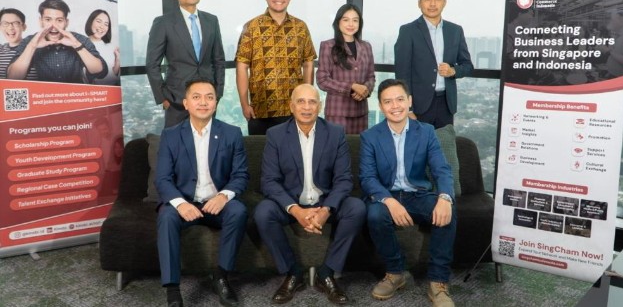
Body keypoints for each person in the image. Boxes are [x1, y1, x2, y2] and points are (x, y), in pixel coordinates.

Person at [254, 83, 365, 305]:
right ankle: (293, 273)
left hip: (325, 202)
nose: (306, 107)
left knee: (357, 208)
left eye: (312, 102)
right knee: (263, 212)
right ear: (291, 106)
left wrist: (326, 210)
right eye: (301, 102)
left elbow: (344, 179)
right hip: (291, 203)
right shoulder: (276, 135)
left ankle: (327, 272)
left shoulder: (335, 133)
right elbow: (269, 181)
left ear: (320, 106)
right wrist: (296, 210)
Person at [359, 78, 456, 307]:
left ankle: (438, 281)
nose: (395, 106)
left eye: (400, 99)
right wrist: (389, 201)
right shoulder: (370, 137)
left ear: (409, 101)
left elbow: (442, 170)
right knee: (374, 215)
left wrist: (445, 197)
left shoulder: (426, 132)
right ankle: (395, 272)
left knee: (448, 212)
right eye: (388, 102)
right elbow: (367, 178)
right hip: (386, 195)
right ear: (381, 106)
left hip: (417, 194)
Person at [155, 78, 249, 307]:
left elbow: (241, 175)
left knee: (238, 211)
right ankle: (172, 289)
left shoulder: (232, 133)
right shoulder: (170, 135)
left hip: (217, 203)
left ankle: (221, 276)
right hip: (185, 201)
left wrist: (223, 196)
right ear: (186, 103)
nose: (203, 102)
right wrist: (180, 203)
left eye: (209, 97)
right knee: (166, 217)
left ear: (216, 103)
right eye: (196, 97)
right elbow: (163, 179)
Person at [235, 0, 317, 135]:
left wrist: (306, 100)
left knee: (294, 151)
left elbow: (308, 63)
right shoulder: (252, 27)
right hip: (260, 110)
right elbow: (241, 67)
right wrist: (245, 104)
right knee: (259, 151)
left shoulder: (300, 27)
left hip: (294, 109)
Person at [146, 0, 226, 127]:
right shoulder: (163, 23)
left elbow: (219, 60)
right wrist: (163, 98)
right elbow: (152, 64)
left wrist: (217, 93)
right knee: (176, 141)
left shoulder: (211, 21)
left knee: (206, 140)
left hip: (206, 99)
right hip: (176, 99)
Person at [394, 0, 473, 129]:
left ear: (444, 2)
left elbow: (468, 66)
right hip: (418, 106)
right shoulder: (408, 31)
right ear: (419, 3)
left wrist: (453, 71)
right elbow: (402, 73)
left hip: (446, 104)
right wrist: (408, 109)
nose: (432, 4)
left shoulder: (455, 31)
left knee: (445, 142)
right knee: (418, 144)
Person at [7, 0, 107, 83]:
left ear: (66, 22)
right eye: (48, 20)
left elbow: (100, 72)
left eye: (59, 20)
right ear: (41, 21)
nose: (53, 26)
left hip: (75, 95)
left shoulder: (80, 40)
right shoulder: (30, 41)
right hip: (45, 96)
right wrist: (32, 46)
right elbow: (13, 78)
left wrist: (77, 45)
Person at [316, 3, 375, 134]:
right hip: (337, 112)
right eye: (346, 20)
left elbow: (371, 76)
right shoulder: (328, 46)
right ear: (338, 22)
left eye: (355, 20)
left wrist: (365, 89)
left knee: (359, 146)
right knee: (337, 146)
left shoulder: (366, 46)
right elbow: (322, 80)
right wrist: (352, 87)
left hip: (361, 112)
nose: (351, 24)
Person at [85, 9, 120, 85]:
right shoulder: (80, 44)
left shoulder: (111, 48)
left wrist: (118, 60)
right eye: (99, 21)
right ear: (91, 22)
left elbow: (112, 76)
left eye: (106, 24)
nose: (102, 27)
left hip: (108, 90)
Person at [0, 8, 36, 79]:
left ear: (24, 27)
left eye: (15, 23)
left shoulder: (34, 49)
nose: (10, 27)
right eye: (5, 23)